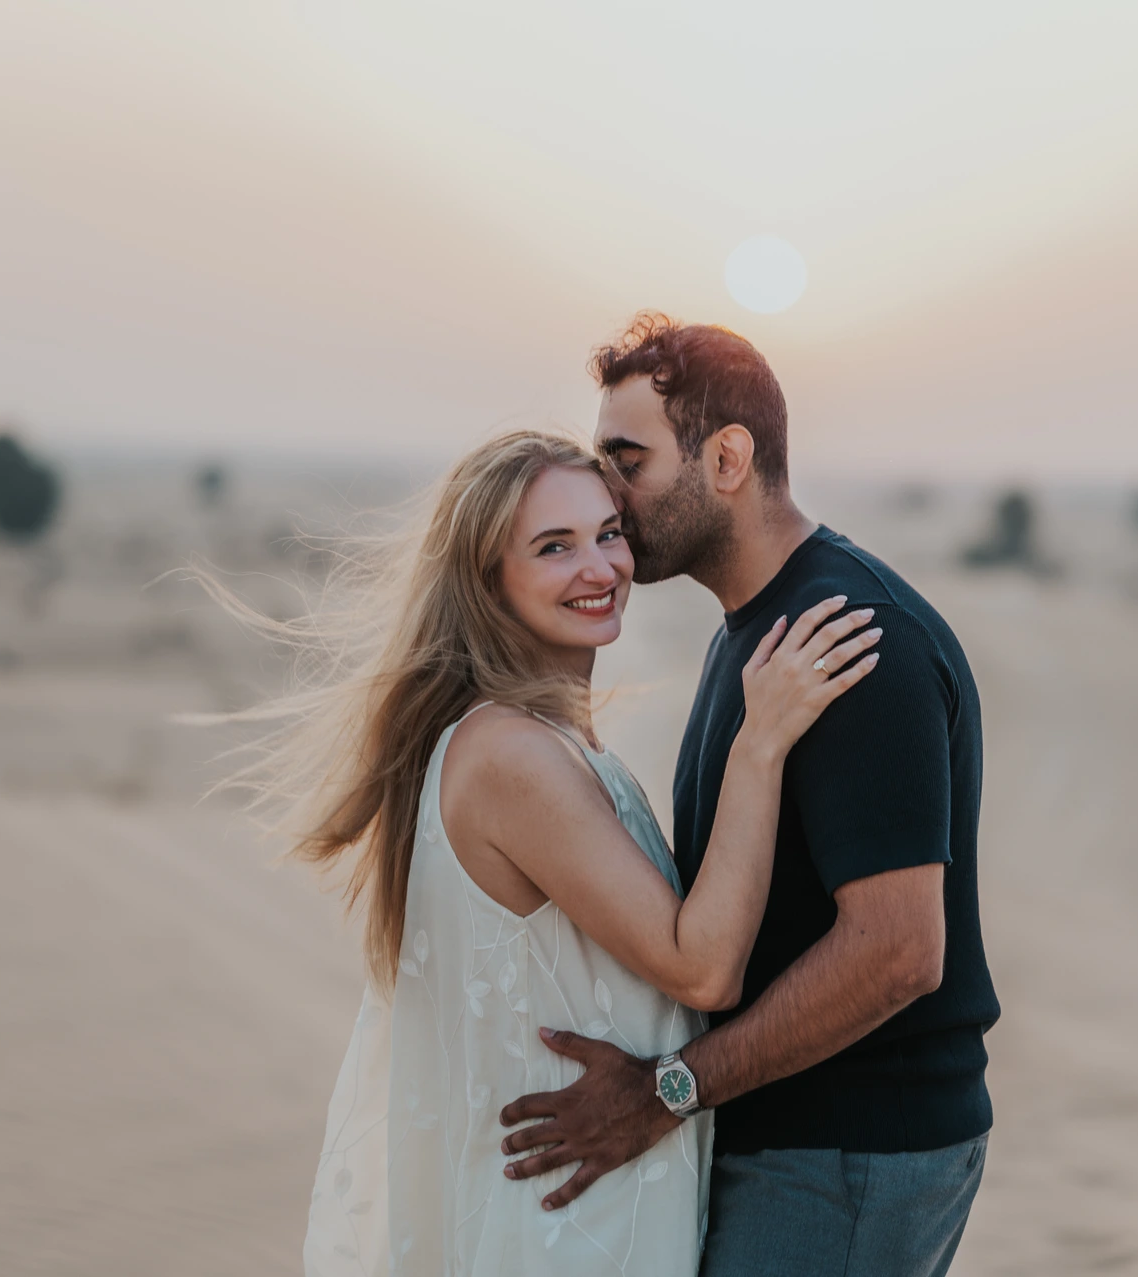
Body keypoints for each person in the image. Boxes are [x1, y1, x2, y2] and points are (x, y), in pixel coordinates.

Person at [269, 431, 880, 1275]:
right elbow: (701, 969)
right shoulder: (507, 755)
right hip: (566, 1230)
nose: (599, 567)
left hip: (603, 1209)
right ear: (489, 580)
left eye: (608, 533)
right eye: (554, 547)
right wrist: (759, 742)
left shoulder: (551, 742)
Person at [497, 316, 1000, 1277]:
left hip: (851, 1153)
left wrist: (667, 1090)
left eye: (628, 460)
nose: (610, 491)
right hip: (793, 1140)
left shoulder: (853, 641)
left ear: (727, 457)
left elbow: (898, 950)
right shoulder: (754, 630)